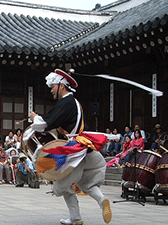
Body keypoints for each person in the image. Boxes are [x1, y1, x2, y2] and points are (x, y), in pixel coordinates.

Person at [29, 69, 111, 224]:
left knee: (61, 186)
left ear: (61, 85)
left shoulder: (65, 102)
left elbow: (45, 123)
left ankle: (76, 217)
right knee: (88, 184)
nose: (51, 90)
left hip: (74, 152)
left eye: (52, 86)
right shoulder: (75, 102)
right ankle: (101, 201)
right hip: (87, 149)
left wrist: (35, 118)